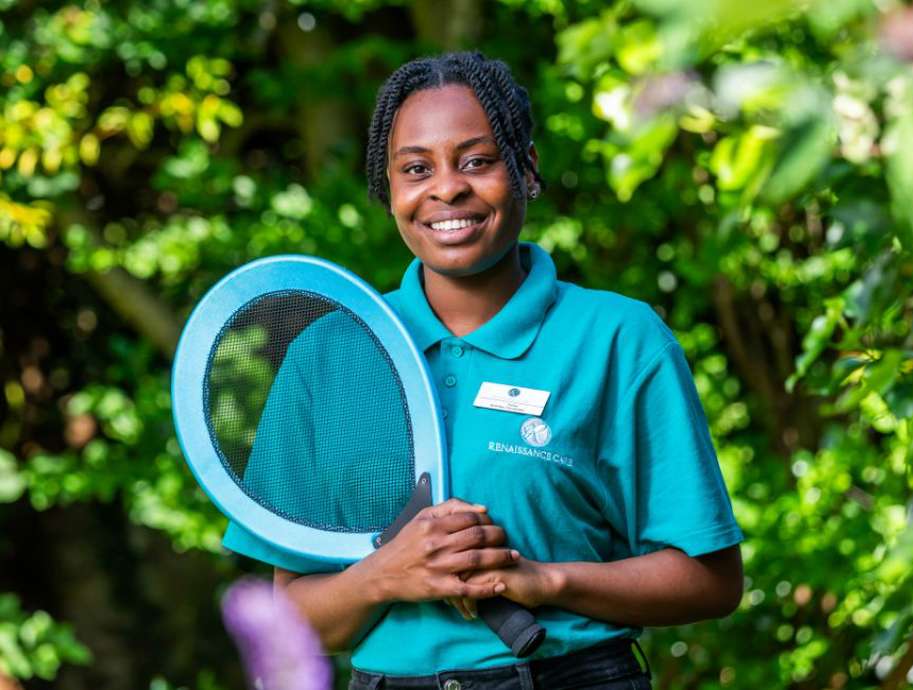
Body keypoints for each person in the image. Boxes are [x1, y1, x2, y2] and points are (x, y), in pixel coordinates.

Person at [223, 51, 744, 689]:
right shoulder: (327, 353)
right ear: (389, 189)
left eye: (476, 161)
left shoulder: (619, 339)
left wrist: (548, 580)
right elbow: (296, 618)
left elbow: (711, 582)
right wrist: (388, 574)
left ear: (526, 169)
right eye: (417, 168)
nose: (447, 188)